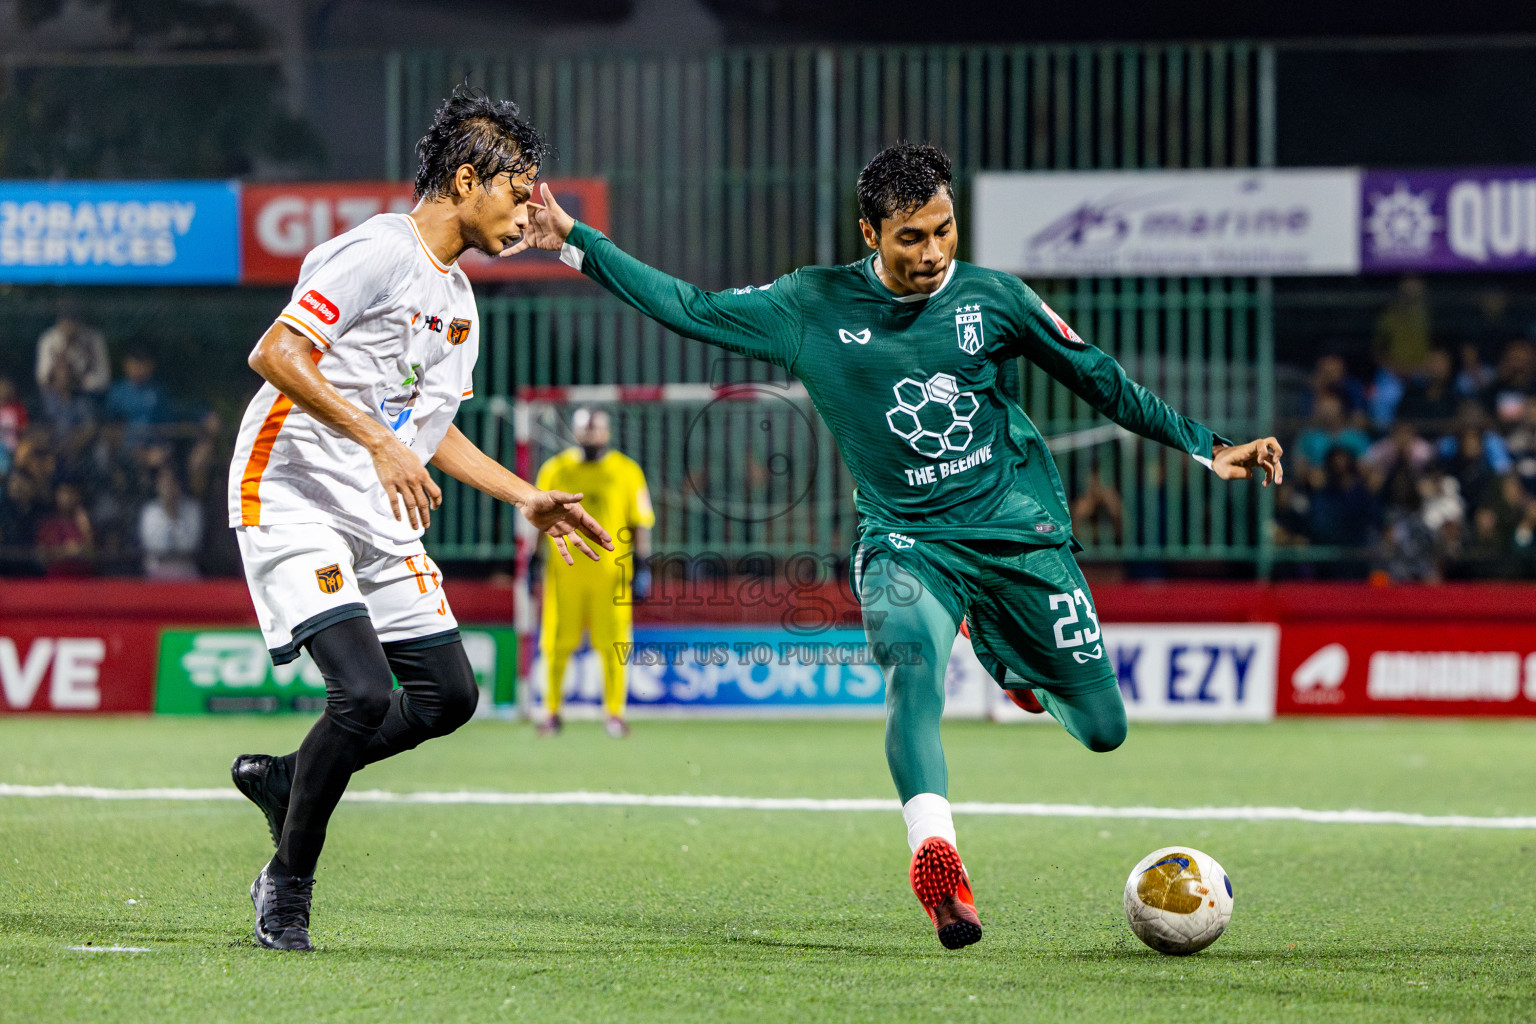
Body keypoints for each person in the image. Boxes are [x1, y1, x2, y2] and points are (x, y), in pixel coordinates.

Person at [511, 142, 1283, 950]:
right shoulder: (812, 303)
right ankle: (937, 858)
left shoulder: (996, 298)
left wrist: (1207, 446)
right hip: (905, 542)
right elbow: (691, 307)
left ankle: (1015, 667)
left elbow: (1099, 377)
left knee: (1103, 729)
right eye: (911, 237)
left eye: (944, 230)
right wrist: (575, 240)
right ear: (870, 234)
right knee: (912, 674)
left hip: (1016, 534)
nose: (933, 252)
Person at [223, 86, 613, 953]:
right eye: (519, 192)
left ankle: (293, 778)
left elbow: (431, 434)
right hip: (292, 493)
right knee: (362, 694)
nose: (529, 212)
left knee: (449, 696)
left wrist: (524, 496)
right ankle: (287, 884)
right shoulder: (377, 250)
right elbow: (275, 352)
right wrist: (379, 442)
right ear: (467, 180)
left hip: (375, 507)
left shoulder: (461, 303)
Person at [534, 407, 655, 738]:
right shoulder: (555, 469)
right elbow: (537, 517)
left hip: (611, 577)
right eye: (585, 428)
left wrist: (643, 564)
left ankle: (615, 714)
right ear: (575, 433)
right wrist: (533, 558)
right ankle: (551, 712)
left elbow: (640, 521)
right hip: (565, 574)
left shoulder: (627, 471)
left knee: (614, 645)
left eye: (596, 427)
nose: (591, 433)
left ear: (607, 432)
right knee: (556, 644)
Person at [139, 465, 203, 579]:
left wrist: (174, 515)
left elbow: (191, 544)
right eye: (163, 484)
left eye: (170, 483)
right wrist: (168, 515)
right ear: (157, 486)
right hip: (157, 568)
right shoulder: (149, 512)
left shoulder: (193, 509)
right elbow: (151, 545)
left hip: (185, 568)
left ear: (178, 486)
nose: (167, 488)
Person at [34, 312, 109, 398]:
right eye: (65, 323)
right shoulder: (48, 339)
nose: (68, 327)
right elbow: (43, 378)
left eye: (72, 323)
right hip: (54, 394)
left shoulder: (93, 338)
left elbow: (103, 379)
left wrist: (78, 383)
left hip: (86, 394)